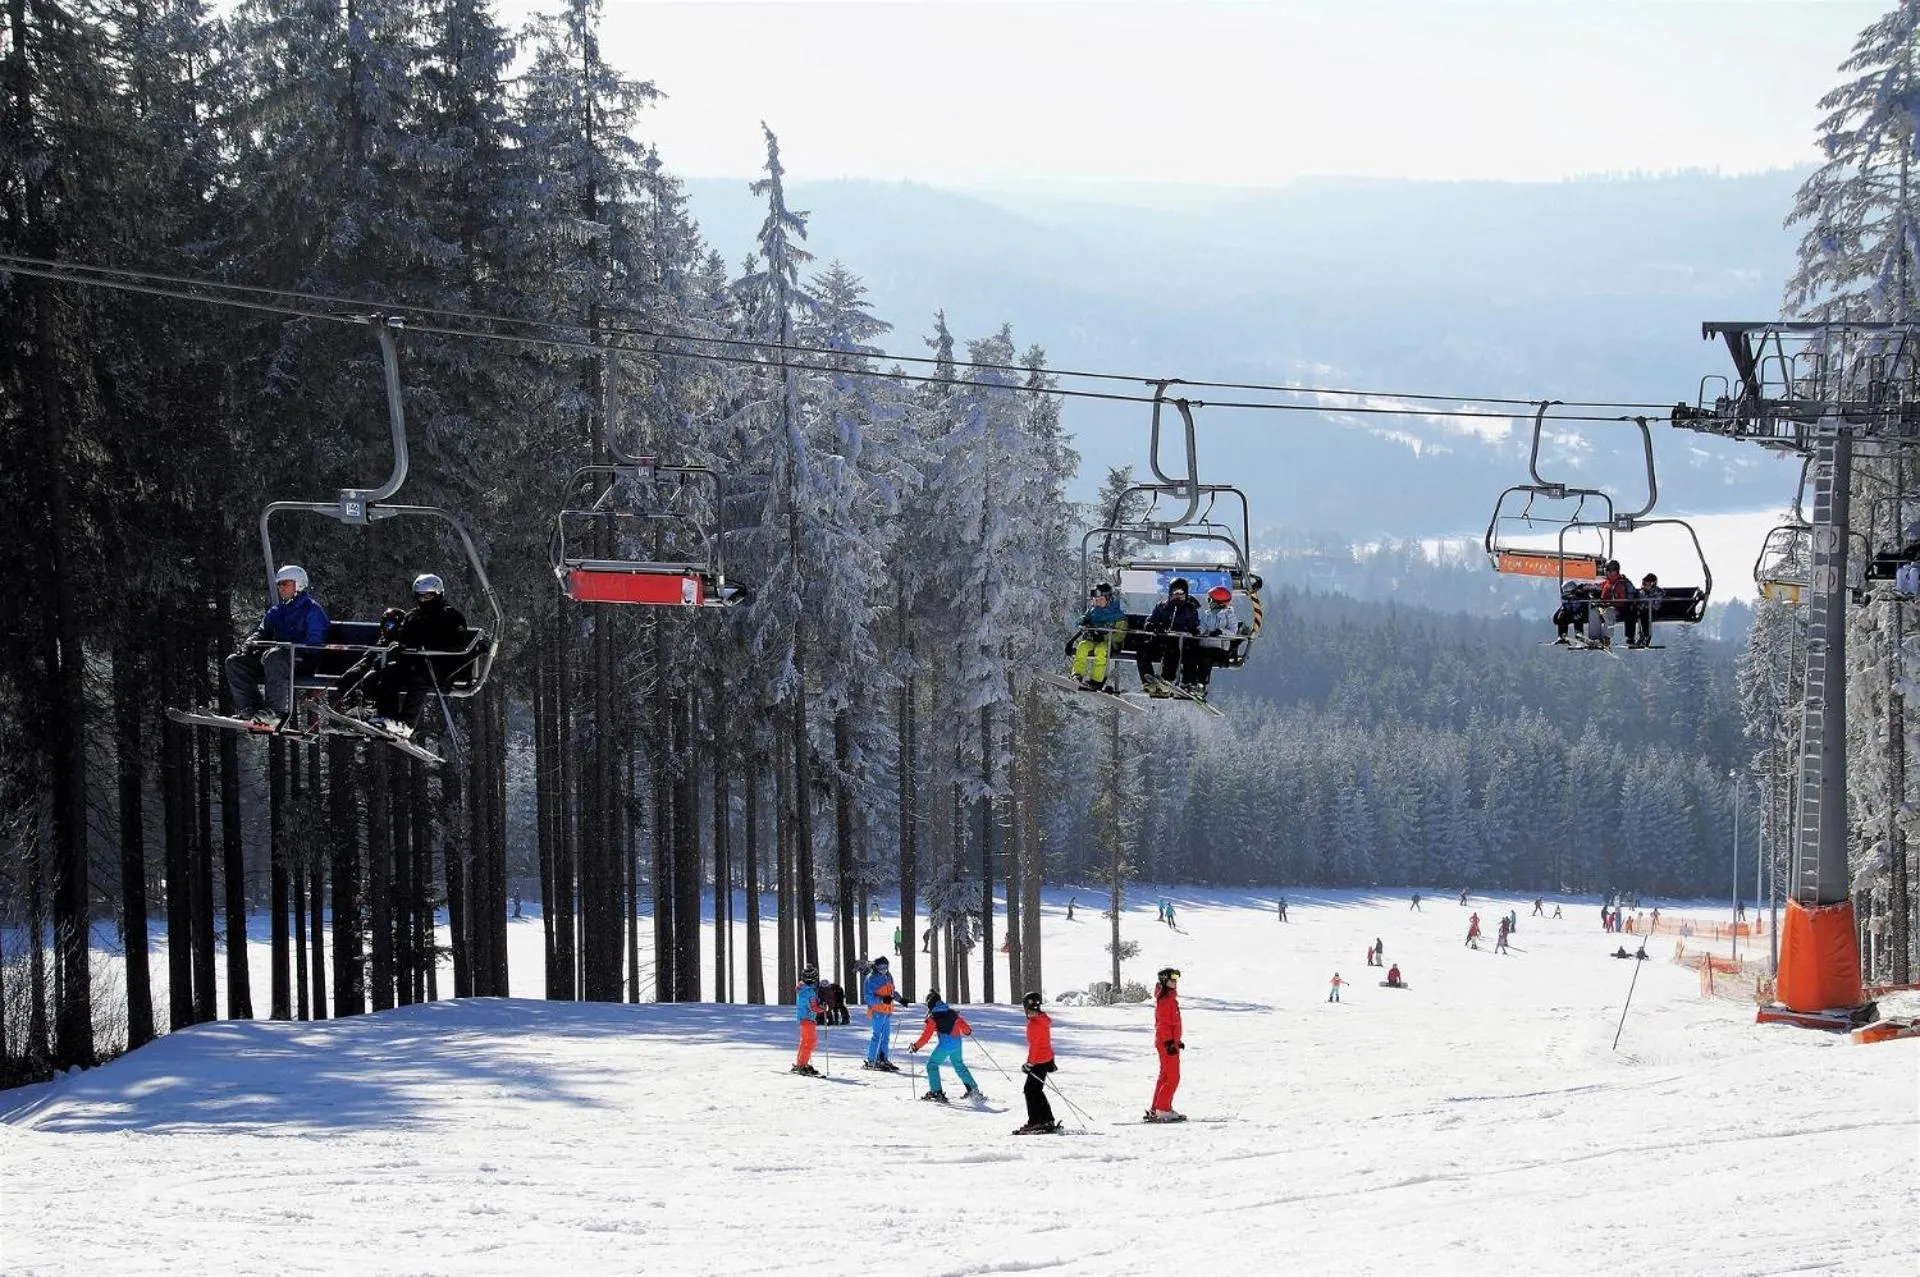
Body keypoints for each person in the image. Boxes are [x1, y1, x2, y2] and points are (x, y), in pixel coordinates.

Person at [365, 573, 471, 735]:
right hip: (413, 662)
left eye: (427, 597)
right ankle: (388, 717)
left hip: (439, 666)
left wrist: (429, 647)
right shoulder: (413, 616)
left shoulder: (450, 616)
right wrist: (399, 644)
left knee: (419, 678)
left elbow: (458, 643)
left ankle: (407, 723)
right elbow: (402, 635)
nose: (423, 601)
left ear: (438, 594)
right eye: (419, 597)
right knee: (389, 671)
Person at [224, 565, 330, 726]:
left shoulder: (313, 611)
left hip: (303, 661)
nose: (281, 588)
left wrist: (289, 648)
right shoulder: (278, 611)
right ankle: (250, 709)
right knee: (235, 662)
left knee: (274, 656)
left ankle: (275, 712)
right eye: (279, 584)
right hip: (276, 661)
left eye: (285, 584)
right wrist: (251, 644)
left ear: (298, 585)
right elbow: (262, 631)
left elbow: (315, 643)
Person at [909, 989, 982, 1103]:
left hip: (945, 1044)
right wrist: (967, 1031)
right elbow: (964, 1025)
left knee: (932, 1065)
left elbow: (926, 1036)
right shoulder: (951, 1012)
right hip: (957, 1043)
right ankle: (973, 1090)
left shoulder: (933, 1017)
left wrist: (916, 1046)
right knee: (959, 1066)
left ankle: (936, 1092)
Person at [1138, 578, 1201, 695]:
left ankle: (1168, 680)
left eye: (1181, 594)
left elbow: (1195, 625)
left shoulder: (1190, 608)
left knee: (1173, 650)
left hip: (1181, 643)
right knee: (1143, 649)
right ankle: (1148, 681)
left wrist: (1190, 630)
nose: (1178, 597)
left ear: (1186, 594)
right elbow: (1151, 620)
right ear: (1170, 593)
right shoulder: (1163, 606)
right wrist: (1151, 626)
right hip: (1162, 639)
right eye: (1176, 593)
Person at [1015, 991, 1059, 1134]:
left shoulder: (1034, 1024)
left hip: (1039, 1061)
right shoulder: (1042, 1019)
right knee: (1035, 1090)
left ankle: (1036, 1121)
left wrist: (1029, 1064)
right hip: (1045, 1059)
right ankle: (1046, 1119)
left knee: (1030, 1090)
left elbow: (1035, 1046)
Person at [1070, 583, 1128, 690]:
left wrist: (1104, 635)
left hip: (1110, 643)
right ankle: (1078, 674)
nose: (1098, 603)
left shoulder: (1117, 615)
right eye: (1096, 600)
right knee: (1082, 646)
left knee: (1100, 651)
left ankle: (1096, 680)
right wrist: (1083, 621)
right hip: (1094, 640)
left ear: (1108, 599)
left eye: (1101, 600)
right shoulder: (1093, 611)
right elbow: (1080, 620)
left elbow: (1120, 635)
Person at [1145, 967, 1185, 1121]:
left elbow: (1172, 1024)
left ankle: (1156, 1108)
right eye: (1172, 979)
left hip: (1168, 1042)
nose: (1175, 982)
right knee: (1173, 1078)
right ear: (1164, 980)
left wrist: (1177, 1041)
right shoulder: (1166, 1000)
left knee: (1165, 1076)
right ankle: (1163, 1109)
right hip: (1166, 1043)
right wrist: (1169, 1042)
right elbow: (1163, 1024)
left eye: (1176, 979)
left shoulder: (1169, 999)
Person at [1187, 585, 1238, 698]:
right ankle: (1188, 681)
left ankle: (1201, 685)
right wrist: (1197, 631)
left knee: (1206, 658)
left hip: (1220, 649)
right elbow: (1202, 626)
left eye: (1210, 600)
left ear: (1218, 602)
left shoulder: (1229, 615)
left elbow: (1233, 632)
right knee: (1191, 654)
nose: (1208, 602)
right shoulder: (1207, 615)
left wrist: (1220, 631)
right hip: (1205, 646)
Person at [861, 956, 902, 1071]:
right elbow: (868, 997)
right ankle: (872, 1060)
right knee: (877, 1036)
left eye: (885, 967)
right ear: (876, 967)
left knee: (886, 1037)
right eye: (881, 967)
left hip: (887, 1011)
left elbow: (892, 991)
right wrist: (882, 1000)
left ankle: (883, 1058)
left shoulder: (888, 976)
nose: (883, 969)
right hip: (877, 1011)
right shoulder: (871, 978)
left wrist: (899, 999)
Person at [791, 963, 824, 1076]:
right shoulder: (810, 992)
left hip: (803, 1019)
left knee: (805, 1041)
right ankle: (802, 1064)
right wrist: (823, 1008)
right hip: (808, 1019)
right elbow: (814, 1007)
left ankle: (801, 1062)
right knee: (810, 1041)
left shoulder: (802, 989)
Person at [1595, 560, 1635, 646]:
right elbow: (1598, 586)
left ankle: (1607, 638)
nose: (1607, 573)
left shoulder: (1621, 583)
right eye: (1607, 571)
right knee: (1593, 612)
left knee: (1609, 613)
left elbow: (1622, 600)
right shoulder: (1607, 582)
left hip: (1618, 608)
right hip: (1605, 606)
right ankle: (1595, 637)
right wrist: (1584, 586)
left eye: (1609, 571)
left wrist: (1609, 604)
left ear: (1615, 571)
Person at [1553, 579, 1599, 644]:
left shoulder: (1582, 595)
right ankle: (1562, 637)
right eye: (1566, 594)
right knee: (1562, 616)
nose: (1569, 596)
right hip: (1572, 612)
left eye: (1569, 594)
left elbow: (1585, 605)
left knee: (1577, 617)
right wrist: (1560, 615)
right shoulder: (1565, 598)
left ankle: (1579, 638)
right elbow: (1565, 608)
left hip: (1583, 613)